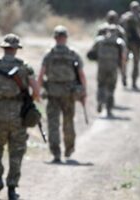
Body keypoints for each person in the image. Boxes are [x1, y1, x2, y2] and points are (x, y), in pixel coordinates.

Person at [0, 33, 39, 200]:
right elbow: (36, 90)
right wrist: (28, 101)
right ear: (16, 49)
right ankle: (12, 188)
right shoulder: (25, 67)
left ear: (4, 48)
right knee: (16, 151)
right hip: (18, 114)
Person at [38, 25, 87, 163]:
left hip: (52, 94)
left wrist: (36, 92)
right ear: (65, 38)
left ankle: (56, 153)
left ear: (55, 38)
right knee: (68, 122)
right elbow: (81, 76)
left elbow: (41, 75)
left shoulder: (49, 54)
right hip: (69, 94)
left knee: (53, 124)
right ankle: (69, 149)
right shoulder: (73, 54)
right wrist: (84, 93)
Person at [89, 25, 127, 117]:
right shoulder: (119, 42)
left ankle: (100, 101)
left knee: (101, 85)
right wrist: (123, 73)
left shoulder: (99, 40)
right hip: (113, 68)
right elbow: (123, 58)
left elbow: (91, 53)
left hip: (101, 67)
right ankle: (109, 109)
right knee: (111, 88)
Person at [120, 1, 140, 90]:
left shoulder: (124, 17)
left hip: (126, 43)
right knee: (135, 63)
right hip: (135, 44)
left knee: (124, 62)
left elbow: (120, 29)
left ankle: (124, 78)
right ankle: (134, 83)